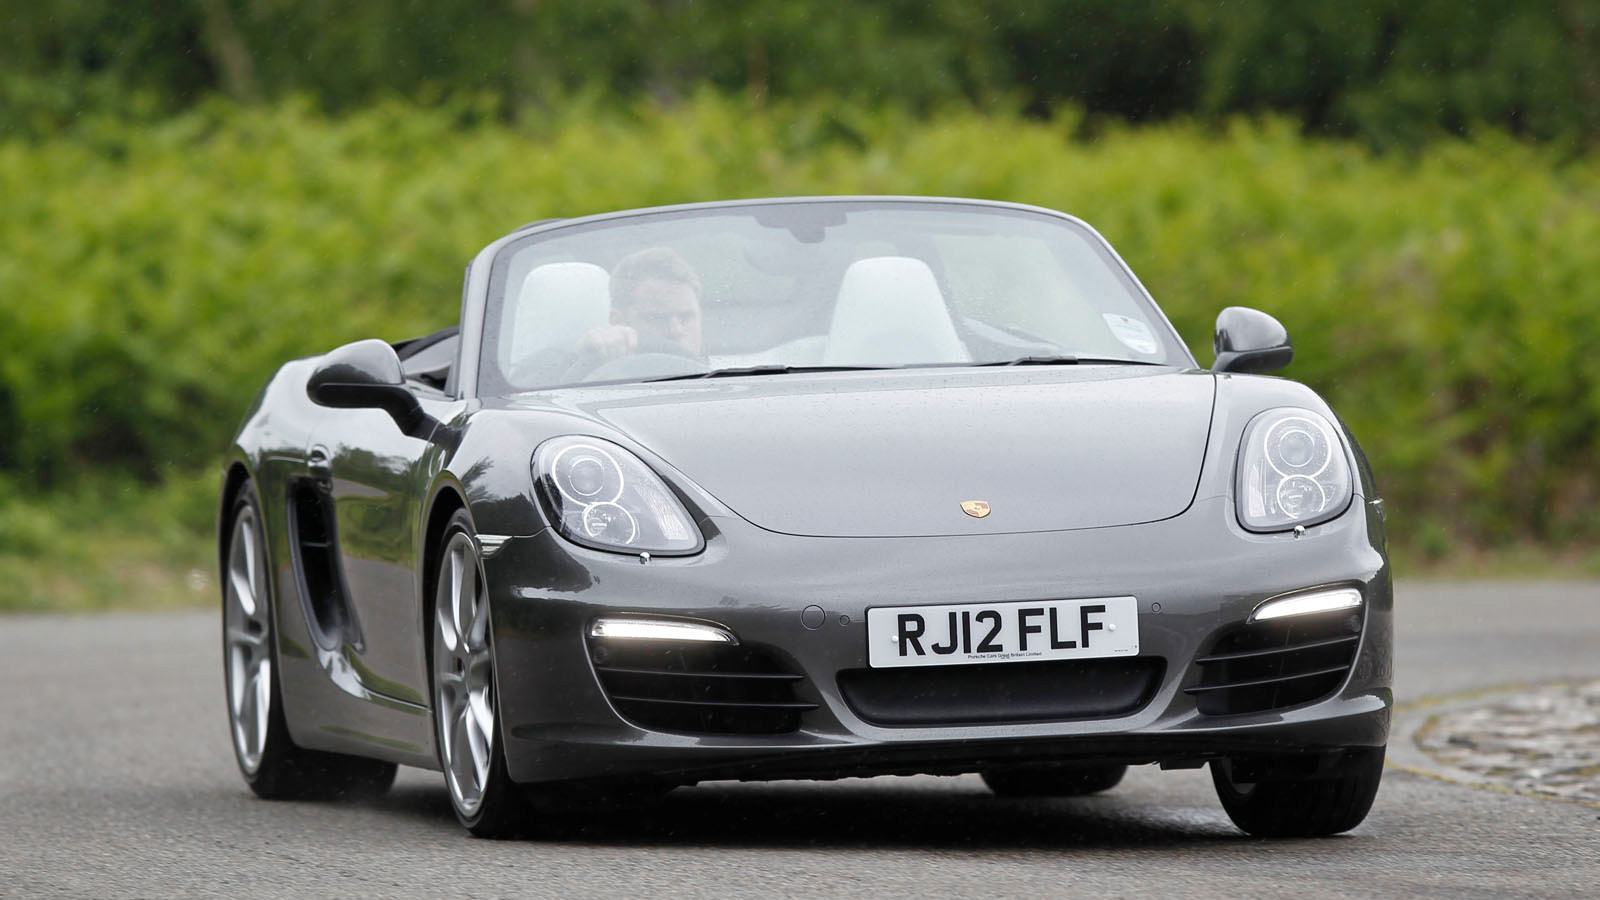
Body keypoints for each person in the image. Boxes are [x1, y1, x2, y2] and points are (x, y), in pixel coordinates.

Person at [575, 246, 704, 363]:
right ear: (618, 322)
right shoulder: (601, 378)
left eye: (686, 318)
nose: (676, 331)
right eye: (657, 318)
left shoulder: (716, 373)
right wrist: (588, 359)